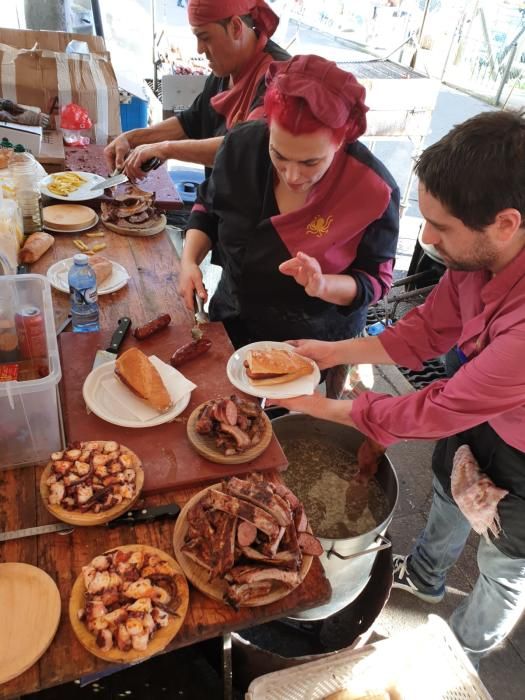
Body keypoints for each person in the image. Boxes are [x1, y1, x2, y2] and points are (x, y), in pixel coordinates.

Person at [270, 109, 525, 666]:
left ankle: (460, 657)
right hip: (486, 409)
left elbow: (439, 408)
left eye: (442, 227)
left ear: (505, 223)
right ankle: (428, 576)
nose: (426, 238)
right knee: (449, 484)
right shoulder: (476, 260)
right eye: (425, 218)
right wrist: (334, 352)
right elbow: (428, 330)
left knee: (506, 564)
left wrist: (323, 406)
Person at [178, 55, 399, 382]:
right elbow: (208, 206)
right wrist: (188, 261)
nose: (293, 175)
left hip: (312, 337)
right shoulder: (242, 145)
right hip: (233, 313)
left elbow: (377, 280)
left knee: (286, 422)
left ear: (341, 140)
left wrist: (323, 284)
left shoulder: (371, 189)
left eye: (311, 162)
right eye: (278, 155)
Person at [104, 0, 289, 180]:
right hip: (217, 200)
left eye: (205, 38)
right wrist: (132, 138)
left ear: (235, 27)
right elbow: (191, 122)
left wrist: (166, 149)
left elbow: (247, 147)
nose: (199, 49)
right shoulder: (225, 68)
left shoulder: (279, 76)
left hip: (254, 210)